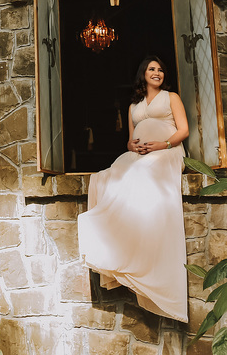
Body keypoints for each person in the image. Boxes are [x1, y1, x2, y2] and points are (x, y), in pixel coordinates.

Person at [78, 55, 190, 322]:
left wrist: (162, 144)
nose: (157, 73)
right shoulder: (133, 107)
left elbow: (183, 130)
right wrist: (134, 146)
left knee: (141, 172)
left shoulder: (171, 97)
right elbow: (129, 140)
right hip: (140, 155)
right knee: (107, 177)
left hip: (168, 152)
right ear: (143, 74)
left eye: (160, 70)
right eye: (152, 69)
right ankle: (116, 246)